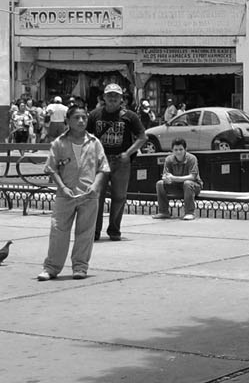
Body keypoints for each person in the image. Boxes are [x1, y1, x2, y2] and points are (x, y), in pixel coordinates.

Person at [37, 104, 109, 281]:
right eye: (76, 117)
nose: (81, 121)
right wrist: (62, 187)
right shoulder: (59, 143)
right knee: (58, 230)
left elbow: (103, 168)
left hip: (88, 195)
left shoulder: (94, 143)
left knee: (85, 232)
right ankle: (51, 268)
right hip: (65, 194)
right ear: (67, 120)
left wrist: (96, 186)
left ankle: (80, 267)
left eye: (84, 117)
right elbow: (51, 169)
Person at [87, 85, 146, 241]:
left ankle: (114, 230)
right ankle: (94, 231)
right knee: (96, 196)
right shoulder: (94, 115)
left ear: (122, 99)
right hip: (100, 162)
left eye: (116, 96)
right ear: (103, 98)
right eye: (109, 95)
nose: (113, 98)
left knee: (119, 196)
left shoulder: (130, 116)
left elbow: (142, 137)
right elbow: (85, 136)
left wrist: (128, 153)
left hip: (121, 161)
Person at [154, 137, 202, 220]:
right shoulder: (169, 159)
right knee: (160, 184)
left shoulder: (192, 158)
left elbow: (192, 177)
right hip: (176, 186)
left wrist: (173, 178)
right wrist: (166, 179)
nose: (178, 152)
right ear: (172, 150)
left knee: (187, 183)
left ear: (185, 149)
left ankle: (189, 212)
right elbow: (166, 175)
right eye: (176, 150)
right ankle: (163, 212)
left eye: (181, 149)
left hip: (193, 187)